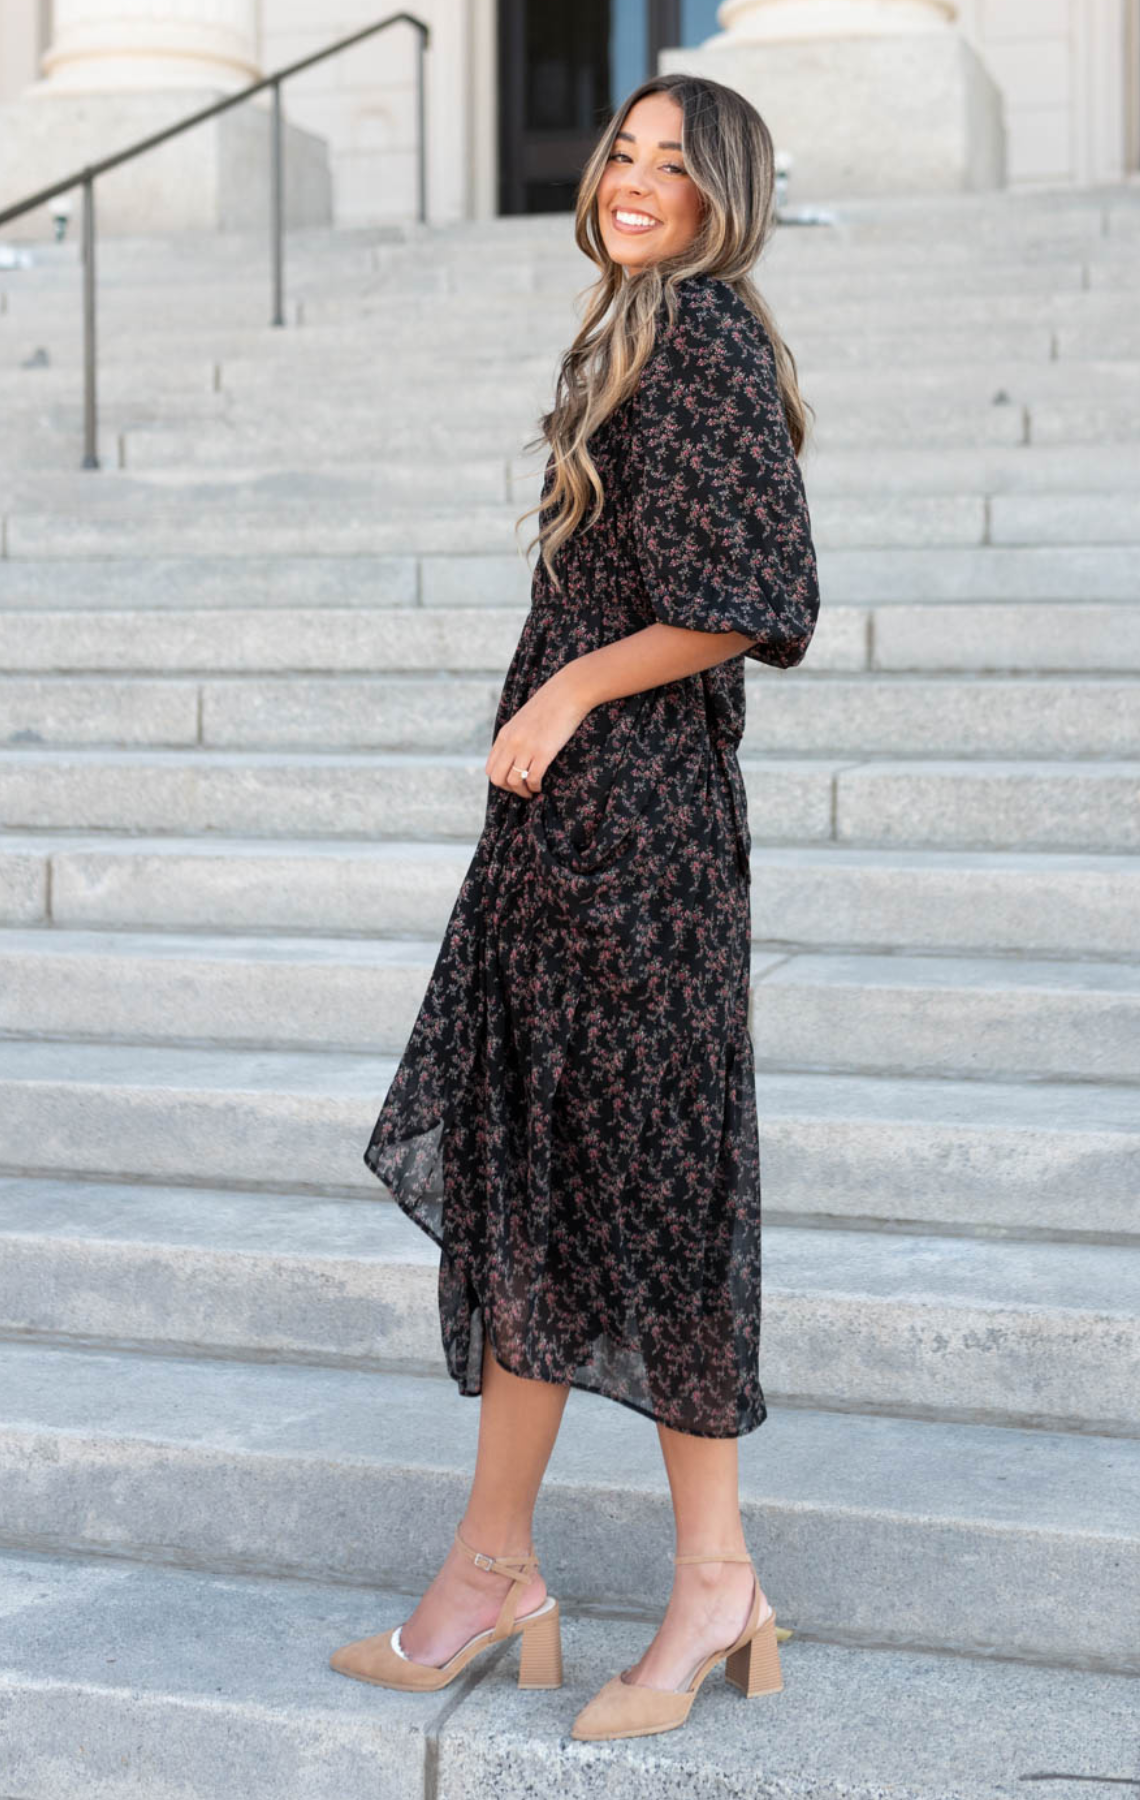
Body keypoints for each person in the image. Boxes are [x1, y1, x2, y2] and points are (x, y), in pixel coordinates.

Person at [330, 71, 820, 1741]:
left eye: (671, 164)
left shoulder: (699, 338)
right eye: (621, 150)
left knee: (653, 1188)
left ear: (721, 194)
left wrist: (564, 697)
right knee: (536, 1185)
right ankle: (491, 1568)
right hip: (564, 845)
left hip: (644, 849)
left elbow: (756, 596)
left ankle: (713, 1582)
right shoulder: (625, 336)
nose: (632, 179)